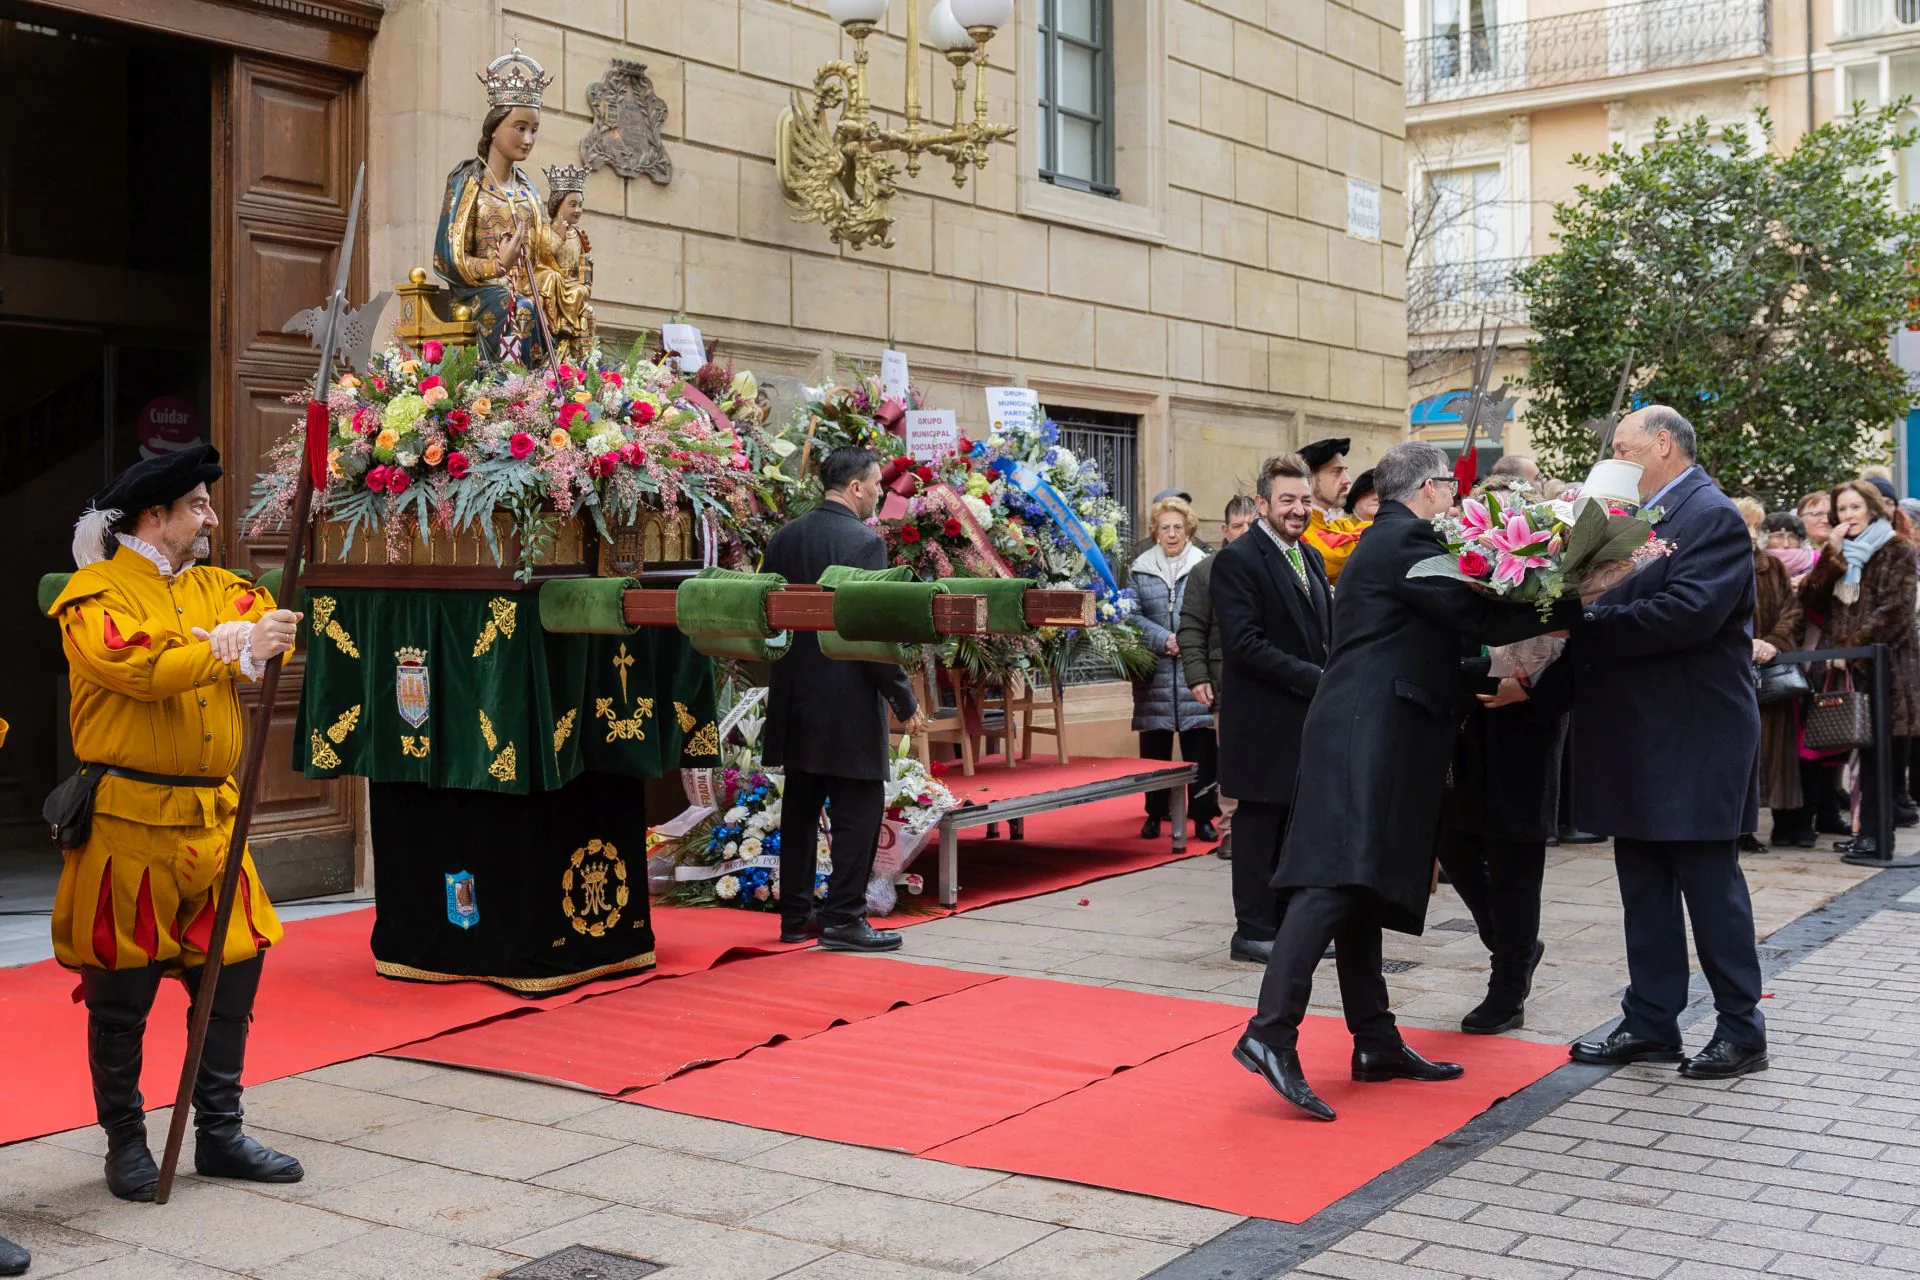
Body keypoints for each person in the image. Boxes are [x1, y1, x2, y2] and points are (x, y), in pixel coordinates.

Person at [1231, 441, 1578, 1120]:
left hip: (1373, 726)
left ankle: (1375, 1040)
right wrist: (1570, 599)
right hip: (1367, 730)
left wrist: (1509, 664)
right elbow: (1474, 619)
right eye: (1450, 487)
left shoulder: (1391, 539)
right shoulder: (1406, 539)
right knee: (1332, 882)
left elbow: (1431, 648)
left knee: (1362, 887)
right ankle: (1268, 1034)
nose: (1455, 498)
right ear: (1427, 488)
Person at [46, 444, 305, 1202]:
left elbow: (267, 622)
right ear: (153, 517)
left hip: (214, 819)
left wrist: (259, 631)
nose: (210, 516)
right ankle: (125, 1140)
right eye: (197, 504)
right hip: (128, 822)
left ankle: (220, 1132)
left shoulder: (217, 585)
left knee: (234, 969)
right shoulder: (92, 595)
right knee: (120, 992)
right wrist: (221, 648)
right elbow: (134, 664)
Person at [1538, 406, 1769, 1080]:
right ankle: (1651, 1020)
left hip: (1695, 734)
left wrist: (1581, 621)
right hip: (1637, 733)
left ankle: (1741, 1028)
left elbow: (1688, 614)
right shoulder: (1639, 515)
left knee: (1707, 884)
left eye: (1623, 446)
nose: (1614, 458)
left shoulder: (1711, 514)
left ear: (1663, 444)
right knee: (1643, 883)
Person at [762, 446, 926, 951]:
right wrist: (903, 698)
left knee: (801, 809)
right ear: (855, 487)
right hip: (848, 700)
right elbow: (868, 634)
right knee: (858, 810)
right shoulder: (863, 544)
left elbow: (764, 618)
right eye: (877, 484)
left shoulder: (783, 537)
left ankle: (795, 917)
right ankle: (843, 918)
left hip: (794, 697)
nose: (880, 492)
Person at [1212, 456, 1330, 963]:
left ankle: (1285, 924)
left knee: (1291, 828)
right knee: (1259, 829)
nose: (1298, 509)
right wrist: (1316, 679)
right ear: (1262, 503)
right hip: (1262, 721)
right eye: (1287, 500)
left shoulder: (1313, 557)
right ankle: (1253, 929)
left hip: (1303, 721)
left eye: (1305, 499)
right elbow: (1244, 644)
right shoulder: (1238, 560)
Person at [1437, 614, 1568, 1032]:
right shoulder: (1458, 559)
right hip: (1462, 723)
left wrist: (1529, 684)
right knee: (1452, 845)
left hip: (1524, 727)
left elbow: (1578, 647)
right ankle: (1518, 946)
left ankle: (1507, 989)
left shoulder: (1555, 563)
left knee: (1514, 861)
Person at [1800, 479, 1920, 858]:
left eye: (1855, 507)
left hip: (1889, 669)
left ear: (1872, 508)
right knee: (1860, 755)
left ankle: (1875, 835)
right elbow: (1809, 598)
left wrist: (1851, 648)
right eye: (1842, 509)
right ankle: (1864, 831)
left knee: (1881, 757)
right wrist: (1831, 555)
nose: (1848, 515)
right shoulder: (1843, 553)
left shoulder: (1897, 548)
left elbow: (1897, 611)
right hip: (1848, 670)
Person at [435, 47, 555, 365]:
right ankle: (513, 392)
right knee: (523, 308)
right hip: (477, 296)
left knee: (566, 310)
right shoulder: (467, 181)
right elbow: (446, 258)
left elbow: (545, 256)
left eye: (534, 130)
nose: (528, 139)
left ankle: (560, 397)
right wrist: (496, 266)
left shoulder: (528, 190)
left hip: (528, 291)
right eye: (520, 128)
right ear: (494, 127)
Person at [1128, 496, 1219, 841]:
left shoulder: (1204, 565)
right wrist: (1163, 638)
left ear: (1189, 530)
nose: (1171, 534)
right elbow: (1131, 616)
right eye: (1164, 527)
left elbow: (1213, 615)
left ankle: (1204, 817)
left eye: (1177, 527)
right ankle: (1154, 813)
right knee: (1155, 753)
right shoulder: (1140, 568)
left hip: (1194, 672)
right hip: (1155, 675)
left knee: (1201, 751)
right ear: (1155, 532)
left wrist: (1188, 642)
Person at [1178, 496, 1258, 858]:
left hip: (1270, 680)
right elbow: (1191, 627)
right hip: (1225, 681)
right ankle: (1231, 829)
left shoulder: (1272, 566)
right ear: (1225, 530)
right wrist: (1197, 676)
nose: (1245, 532)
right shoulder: (1206, 571)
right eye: (1238, 525)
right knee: (1232, 758)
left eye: (1252, 525)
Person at [1735, 497, 1808, 849]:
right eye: (1745, 523)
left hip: (1771, 670)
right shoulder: (1720, 564)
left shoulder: (1773, 567)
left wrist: (1772, 642)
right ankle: (1739, 829)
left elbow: (1793, 612)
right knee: (1739, 753)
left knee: (1780, 751)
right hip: (1732, 672)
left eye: (1755, 526)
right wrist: (1745, 643)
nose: (1751, 532)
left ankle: (1786, 823)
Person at [534, 161, 596, 364]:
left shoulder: (579, 236)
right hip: (546, 280)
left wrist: (585, 286)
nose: (578, 210)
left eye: (580, 205)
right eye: (573, 204)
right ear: (558, 204)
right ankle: (556, 325)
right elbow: (541, 257)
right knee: (552, 278)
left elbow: (584, 267)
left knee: (581, 296)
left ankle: (581, 359)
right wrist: (558, 236)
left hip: (571, 286)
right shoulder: (544, 231)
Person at [1300, 438, 1367, 587]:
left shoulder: (1341, 526)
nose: (1347, 480)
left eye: (1345, 471)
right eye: (1337, 472)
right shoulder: (1300, 530)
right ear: (1309, 478)